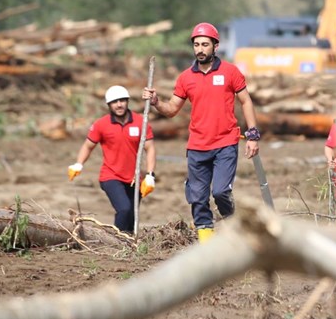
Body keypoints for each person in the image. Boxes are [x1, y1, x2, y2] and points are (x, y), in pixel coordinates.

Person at [142, 22, 260, 243]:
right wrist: (157, 102)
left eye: (205, 44)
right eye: (196, 44)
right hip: (197, 146)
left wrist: (252, 134)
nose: (200, 49)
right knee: (198, 198)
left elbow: (245, 101)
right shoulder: (186, 78)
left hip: (225, 143)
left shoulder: (230, 72)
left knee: (220, 192)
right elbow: (172, 109)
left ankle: (233, 221)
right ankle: (206, 241)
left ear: (215, 46)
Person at [67, 85, 156, 235]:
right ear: (109, 105)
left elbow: (150, 148)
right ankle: (117, 240)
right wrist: (78, 164)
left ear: (127, 101)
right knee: (124, 208)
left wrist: (150, 175)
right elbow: (88, 146)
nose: (119, 104)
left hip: (134, 178)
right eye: (115, 102)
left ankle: (129, 245)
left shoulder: (141, 122)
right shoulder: (101, 124)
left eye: (122, 100)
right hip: (111, 176)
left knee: (132, 215)